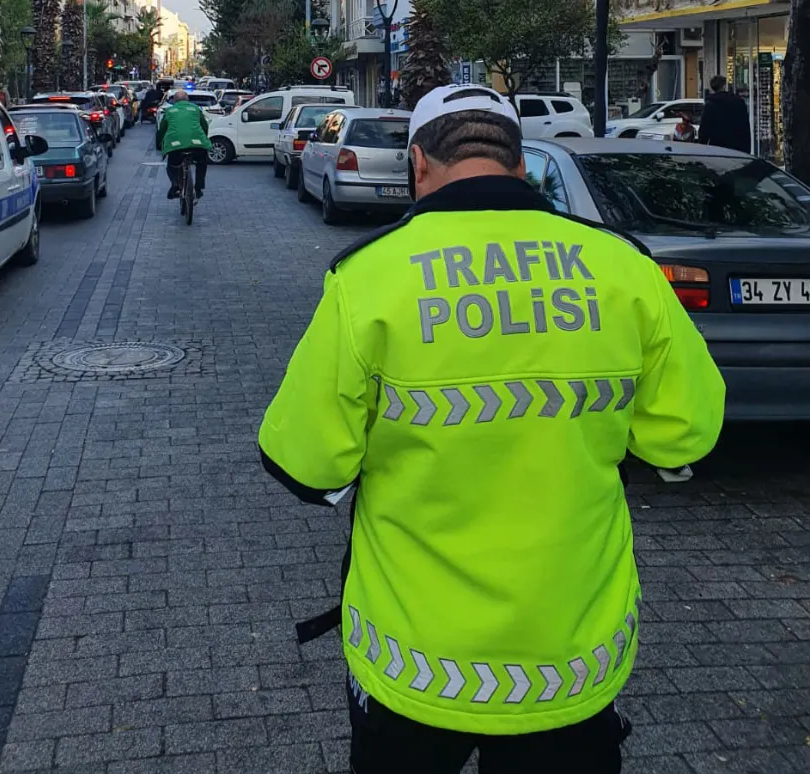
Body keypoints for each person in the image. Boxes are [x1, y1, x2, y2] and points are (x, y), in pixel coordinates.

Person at [257, 84, 725, 774]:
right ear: (523, 164)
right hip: (569, 659)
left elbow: (305, 464)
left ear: (417, 164)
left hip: (412, 665)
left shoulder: (368, 279)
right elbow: (683, 435)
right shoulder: (625, 269)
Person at [156, 89, 211, 200]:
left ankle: (175, 185)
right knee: (201, 163)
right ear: (188, 99)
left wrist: (159, 143)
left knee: (171, 165)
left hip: (175, 146)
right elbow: (204, 126)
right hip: (197, 145)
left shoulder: (169, 111)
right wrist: (203, 137)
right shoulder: (196, 109)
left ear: (175, 101)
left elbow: (162, 130)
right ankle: (199, 188)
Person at [698, 75, 751, 153]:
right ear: (724, 86)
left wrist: (702, 148)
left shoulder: (710, 105)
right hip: (737, 147)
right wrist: (747, 149)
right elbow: (745, 126)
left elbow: (704, 130)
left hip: (717, 147)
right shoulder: (739, 102)